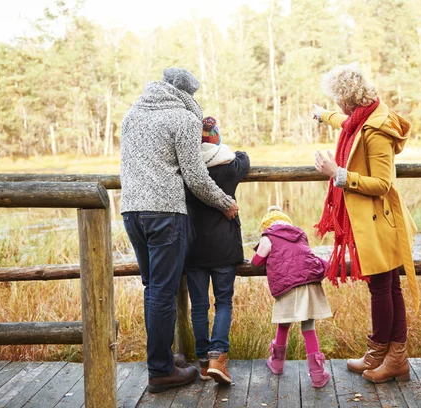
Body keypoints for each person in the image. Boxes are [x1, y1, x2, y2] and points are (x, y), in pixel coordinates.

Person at [120, 67, 239, 393]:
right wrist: (225, 202)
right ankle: (160, 371)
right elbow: (197, 177)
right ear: (188, 94)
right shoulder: (183, 119)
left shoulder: (132, 114)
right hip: (164, 214)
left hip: (131, 212)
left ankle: (164, 362)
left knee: (152, 289)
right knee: (163, 292)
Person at [312, 63, 419, 384]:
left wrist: (338, 174)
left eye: (335, 101)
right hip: (371, 223)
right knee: (386, 287)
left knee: (383, 289)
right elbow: (347, 125)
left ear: (347, 98)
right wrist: (322, 116)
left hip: (381, 222)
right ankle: (384, 355)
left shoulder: (377, 130)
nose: (336, 107)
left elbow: (383, 184)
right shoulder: (363, 119)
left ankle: (392, 357)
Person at [185, 116, 250, 385]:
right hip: (223, 246)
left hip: (193, 247)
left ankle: (202, 362)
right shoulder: (230, 166)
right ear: (216, 139)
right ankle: (217, 357)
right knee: (223, 302)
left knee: (199, 305)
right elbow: (244, 157)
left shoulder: (187, 168)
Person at [251, 206, 333, 388]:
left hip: (287, 285)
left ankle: (277, 363)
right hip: (309, 283)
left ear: (267, 226)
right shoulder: (300, 233)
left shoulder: (268, 237)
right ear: (287, 223)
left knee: (284, 323)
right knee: (308, 327)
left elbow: (256, 262)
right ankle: (318, 374)